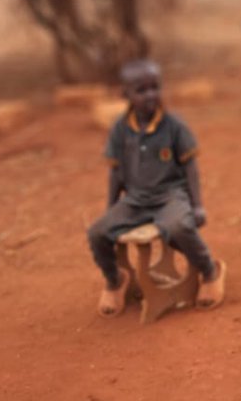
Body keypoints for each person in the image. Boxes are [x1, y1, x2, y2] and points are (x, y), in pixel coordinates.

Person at [87, 59, 226, 317]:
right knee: (97, 233)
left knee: (178, 227)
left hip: (171, 195)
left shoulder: (175, 126)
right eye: (141, 90)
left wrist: (197, 205)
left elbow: (190, 168)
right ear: (125, 94)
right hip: (136, 200)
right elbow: (116, 172)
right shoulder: (119, 129)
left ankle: (209, 270)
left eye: (155, 87)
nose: (150, 94)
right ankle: (115, 279)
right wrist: (111, 207)